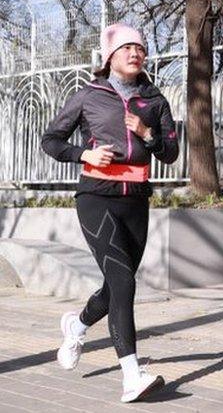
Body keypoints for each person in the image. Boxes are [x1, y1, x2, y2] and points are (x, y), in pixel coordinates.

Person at [41, 23, 179, 403]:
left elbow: (170, 153)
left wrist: (148, 134)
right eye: (127, 48)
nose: (136, 53)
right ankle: (131, 376)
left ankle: (77, 325)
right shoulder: (88, 96)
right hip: (96, 196)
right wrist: (83, 154)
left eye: (140, 48)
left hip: (136, 199)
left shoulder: (155, 101)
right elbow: (51, 140)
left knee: (116, 285)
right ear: (111, 57)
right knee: (124, 283)